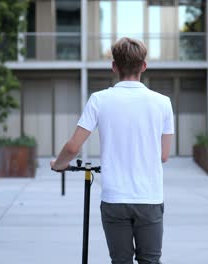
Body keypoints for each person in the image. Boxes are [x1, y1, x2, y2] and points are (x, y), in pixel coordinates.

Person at [50, 37, 174, 264]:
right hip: (150, 198)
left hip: (115, 198)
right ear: (143, 66)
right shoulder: (163, 102)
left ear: (114, 66)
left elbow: (73, 147)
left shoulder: (99, 100)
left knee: (120, 261)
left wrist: (58, 165)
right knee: (150, 260)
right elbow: (163, 155)